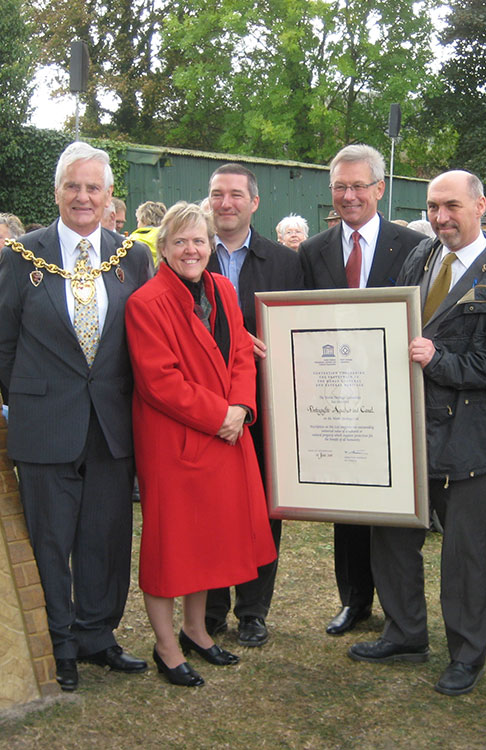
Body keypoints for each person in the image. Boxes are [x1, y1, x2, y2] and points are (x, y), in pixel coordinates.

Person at [349, 170, 486, 696]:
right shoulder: (422, 257)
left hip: (467, 437)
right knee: (391, 536)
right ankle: (405, 632)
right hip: (405, 427)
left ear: (479, 206)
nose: (439, 217)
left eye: (451, 206)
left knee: (466, 554)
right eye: (433, 207)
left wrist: (440, 361)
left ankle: (466, 652)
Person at [0, 141, 152, 692]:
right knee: (50, 540)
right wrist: (35, 397)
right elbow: (0, 342)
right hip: (45, 425)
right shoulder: (22, 254)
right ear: (56, 191)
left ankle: (97, 635)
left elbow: (144, 341)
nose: (83, 197)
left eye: (94, 187)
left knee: (105, 535)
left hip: (109, 425)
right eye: (73, 186)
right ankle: (58, 642)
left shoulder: (132, 258)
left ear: (109, 196)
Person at [125, 201, 276, 687]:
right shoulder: (145, 302)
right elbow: (159, 382)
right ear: (164, 247)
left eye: (199, 241)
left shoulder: (223, 289)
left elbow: (240, 355)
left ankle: (197, 630)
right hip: (175, 441)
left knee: (208, 539)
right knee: (172, 544)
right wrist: (220, 416)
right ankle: (166, 646)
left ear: (211, 245)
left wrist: (241, 408)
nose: (191, 250)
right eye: (180, 241)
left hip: (225, 435)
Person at [299, 144, 425, 636]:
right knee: (344, 502)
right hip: (335, 398)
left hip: (393, 395)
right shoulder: (313, 251)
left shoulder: (412, 246)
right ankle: (354, 601)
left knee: (390, 507)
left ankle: (398, 607)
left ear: (380, 188)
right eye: (340, 187)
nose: (349, 196)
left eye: (358, 186)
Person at [204, 163, 304, 647]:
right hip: (203, 405)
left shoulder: (284, 263)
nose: (226, 203)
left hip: (266, 405)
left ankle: (253, 610)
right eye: (217, 194)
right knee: (211, 505)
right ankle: (211, 608)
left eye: (236, 195)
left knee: (263, 507)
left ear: (254, 202)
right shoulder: (189, 253)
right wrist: (232, 335)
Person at [130, 200, 167, 266]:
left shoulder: (132, 241)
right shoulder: (167, 239)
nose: (137, 225)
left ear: (144, 220)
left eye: (138, 221)